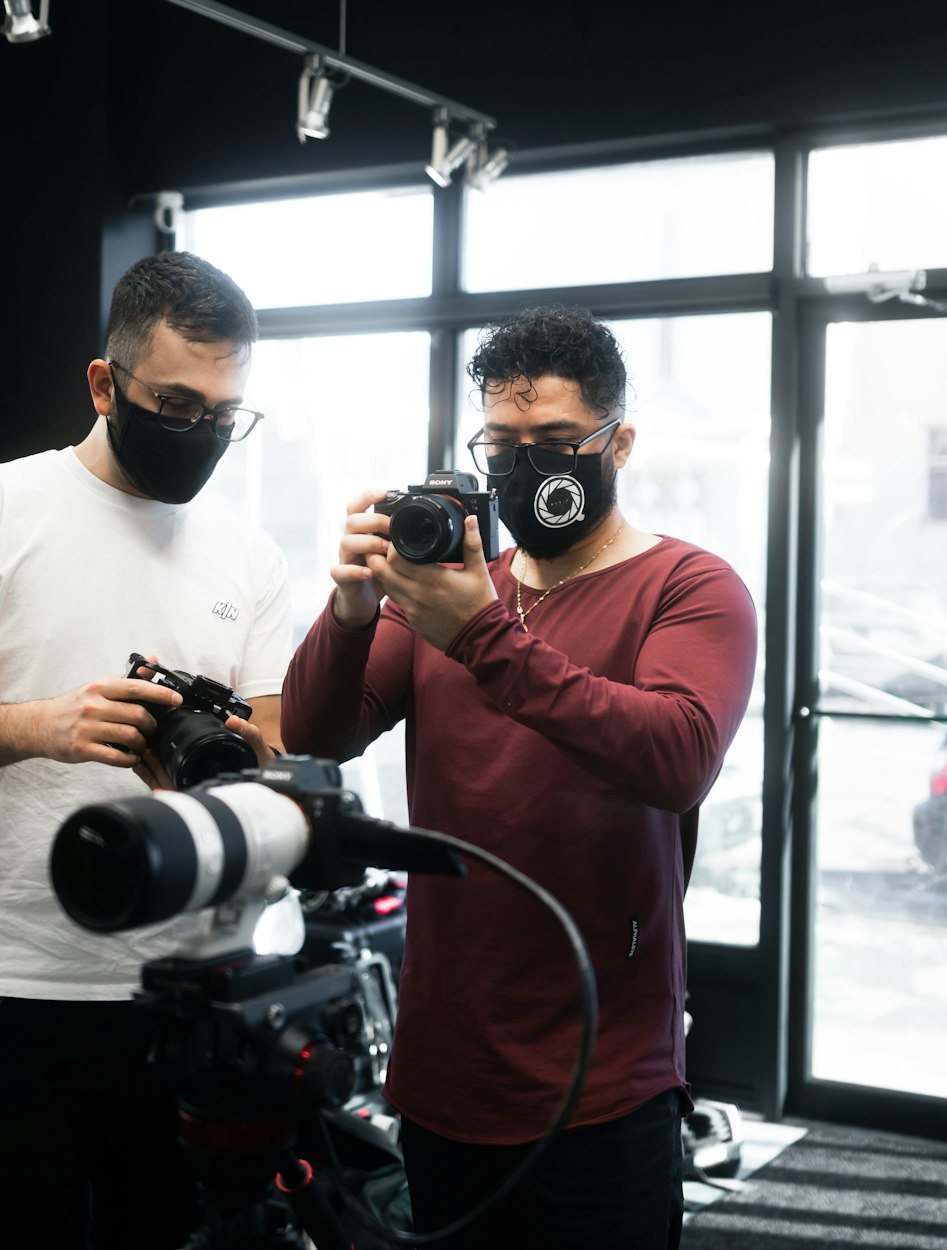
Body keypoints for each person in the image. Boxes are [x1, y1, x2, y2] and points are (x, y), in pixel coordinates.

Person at [281, 305, 758, 1249]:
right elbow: (317, 730)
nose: (524, 463)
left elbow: (677, 755)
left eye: (553, 440)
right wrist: (348, 610)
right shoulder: (443, 592)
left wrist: (482, 634)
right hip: (445, 1062)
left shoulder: (691, 587)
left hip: (604, 1072)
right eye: (501, 441)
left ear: (617, 443)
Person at [0, 250, 292, 1248]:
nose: (201, 430)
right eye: (175, 402)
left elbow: (272, 751)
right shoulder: (10, 510)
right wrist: (40, 725)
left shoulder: (248, 552)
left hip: (185, 982)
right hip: (20, 980)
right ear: (103, 383)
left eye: (225, 411)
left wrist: (229, 759)